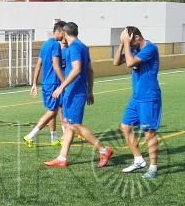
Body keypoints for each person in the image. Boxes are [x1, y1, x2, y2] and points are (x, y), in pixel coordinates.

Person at [44, 22, 113, 169]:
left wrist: (61, 87)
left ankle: (103, 150)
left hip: (74, 92)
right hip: (76, 91)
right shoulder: (82, 46)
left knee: (74, 125)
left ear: (64, 32)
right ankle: (62, 158)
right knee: (68, 125)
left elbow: (77, 69)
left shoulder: (74, 47)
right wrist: (90, 90)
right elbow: (90, 71)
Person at [114, 26, 162, 180]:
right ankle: (138, 160)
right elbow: (116, 62)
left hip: (149, 97)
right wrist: (122, 43)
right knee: (125, 126)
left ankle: (153, 168)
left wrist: (127, 44)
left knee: (149, 133)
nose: (128, 42)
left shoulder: (150, 48)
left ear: (136, 37)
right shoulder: (132, 48)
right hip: (136, 98)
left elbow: (130, 63)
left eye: (128, 39)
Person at [23, 20, 66, 147]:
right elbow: (56, 65)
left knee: (52, 109)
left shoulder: (45, 44)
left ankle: (53, 138)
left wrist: (35, 84)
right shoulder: (55, 45)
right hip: (53, 83)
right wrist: (65, 82)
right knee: (52, 111)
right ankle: (30, 136)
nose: (65, 36)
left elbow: (38, 65)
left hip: (47, 83)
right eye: (64, 33)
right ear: (58, 31)